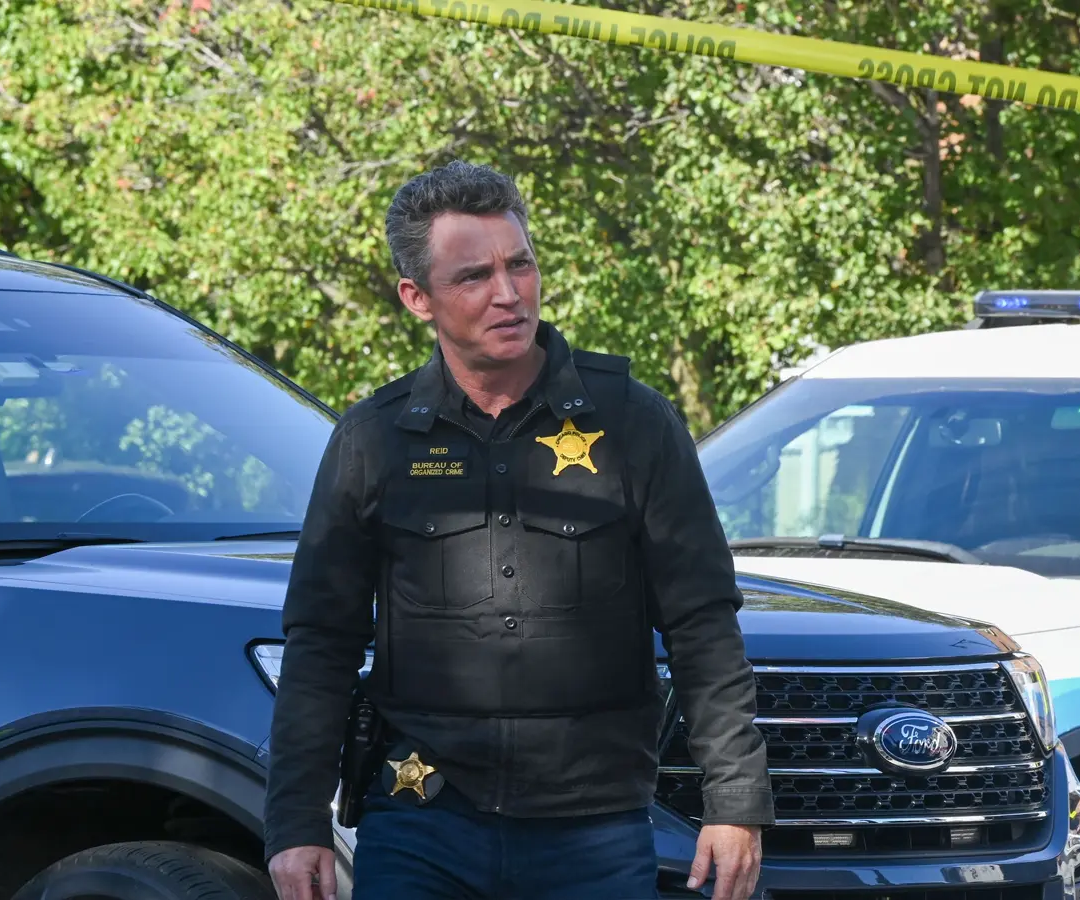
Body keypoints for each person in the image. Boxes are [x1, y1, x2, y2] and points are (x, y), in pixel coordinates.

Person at [263, 160, 773, 900]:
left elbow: (703, 623)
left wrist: (735, 803)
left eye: (520, 265)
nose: (508, 293)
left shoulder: (633, 423)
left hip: (593, 828)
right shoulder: (374, 440)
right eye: (474, 276)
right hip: (420, 820)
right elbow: (321, 641)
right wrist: (296, 822)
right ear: (417, 297)